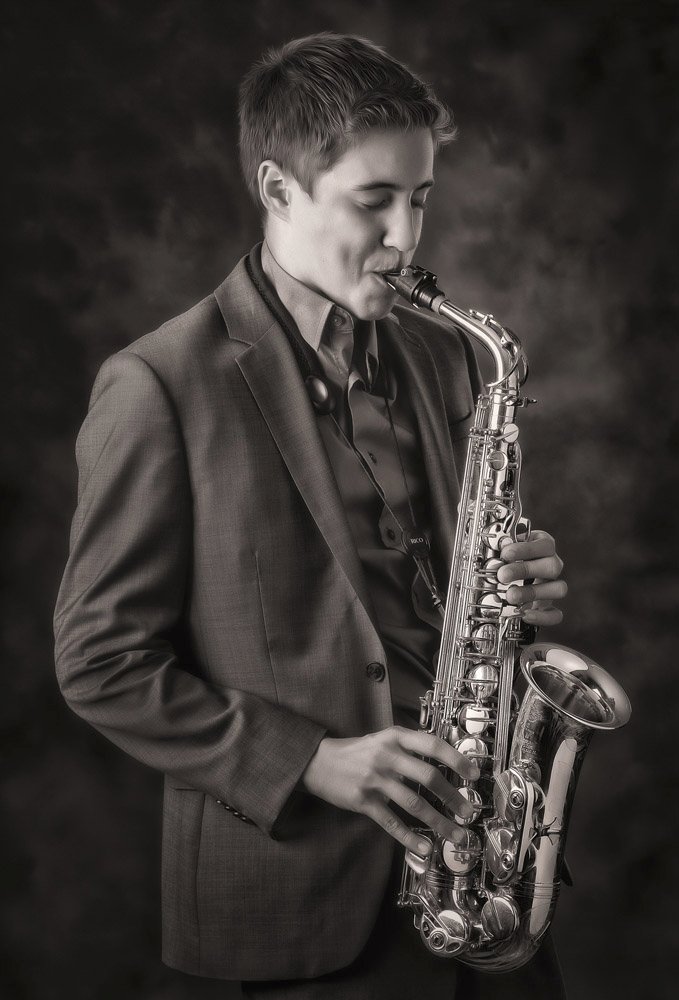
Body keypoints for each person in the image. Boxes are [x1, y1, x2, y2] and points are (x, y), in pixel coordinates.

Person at [54, 32, 569, 999]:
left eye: (418, 199)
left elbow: (452, 591)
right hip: (307, 896)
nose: (406, 237)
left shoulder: (441, 356)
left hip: (485, 865)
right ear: (277, 189)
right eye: (371, 201)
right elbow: (99, 662)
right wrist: (314, 763)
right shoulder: (157, 385)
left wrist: (517, 590)